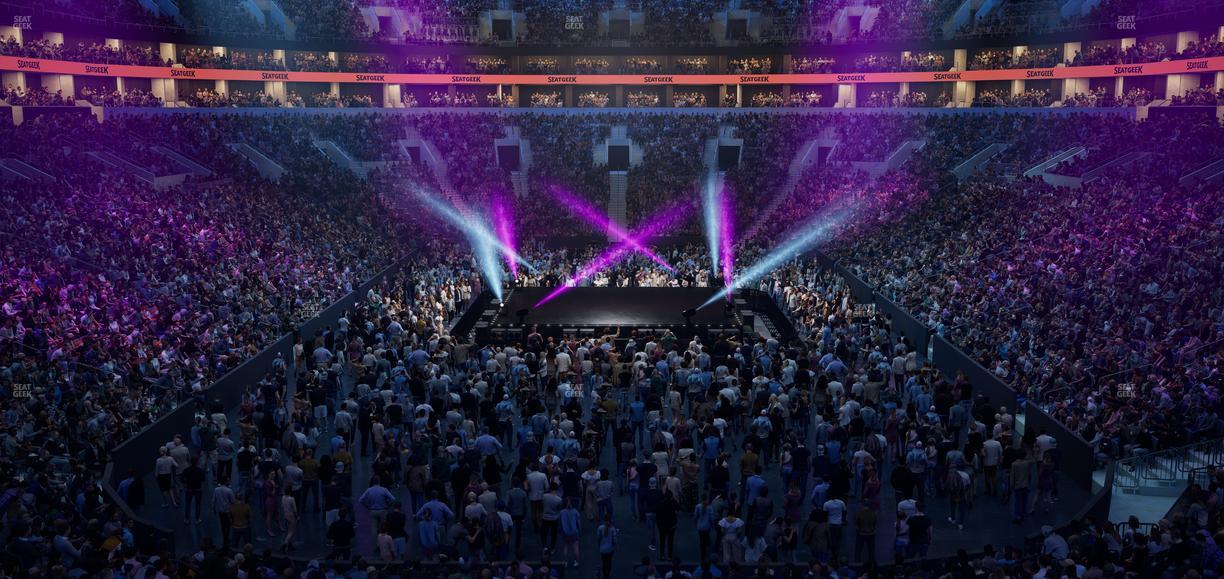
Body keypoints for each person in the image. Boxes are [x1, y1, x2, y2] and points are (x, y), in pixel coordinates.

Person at [560, 498, 582, 567]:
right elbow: (578, 523)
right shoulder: (575, 511)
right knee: (575, 547)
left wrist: (561, 531)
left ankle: (565, 562)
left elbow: (560, 523)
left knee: (565, 547)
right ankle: (576, 562)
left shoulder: (562, 512)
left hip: (565, 532)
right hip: (574, 532)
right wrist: (580, 531)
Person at [597, 514, 618, 579]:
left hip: (602, 549)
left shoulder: (600, 528)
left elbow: (598, 538)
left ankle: (604, 575)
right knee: (609, 561)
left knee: (604, 562)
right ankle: (607, 575)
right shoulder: (613, 529)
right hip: (610, 549)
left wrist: (599, 545)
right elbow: (614, 541)